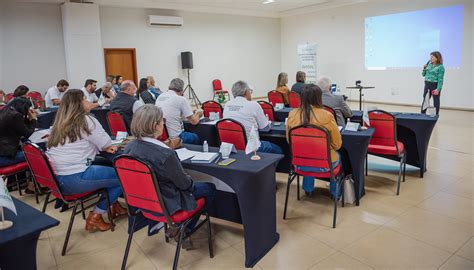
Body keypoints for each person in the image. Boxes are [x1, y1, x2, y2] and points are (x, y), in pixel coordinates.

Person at [123, 105, 216, 249]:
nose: (163, 124)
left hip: (143, 202)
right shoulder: (166, 154)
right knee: (209, 188)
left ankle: (177, 227)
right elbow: (185, 185)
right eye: (162, 121)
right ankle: (185, 228)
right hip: (168, 202)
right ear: (155, 126)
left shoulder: (128, 148)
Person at [46, 89, 127, 232]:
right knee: (123, 176)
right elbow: (106, 143)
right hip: (76, 177)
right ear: (79, 103)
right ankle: (96, 215)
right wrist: (106, 146)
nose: (88, 101)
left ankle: (113, 204)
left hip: (57, 179)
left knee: (105, 168)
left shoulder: (58, 123)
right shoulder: (86, 120)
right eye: (85, 99)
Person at [286, 84, 342, 196]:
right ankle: (335, 193)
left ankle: (308, 190)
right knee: (340, 156)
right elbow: (337, 145)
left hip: (299, 165)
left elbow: (289, 141)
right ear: (319, 98)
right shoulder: (327, 116)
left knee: (306, 151)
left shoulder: (292, 115)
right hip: (325, 166)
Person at [223, 81, 283, 154]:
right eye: (250, 91)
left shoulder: (227, 104)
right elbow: (265, 127)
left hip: (232, 147)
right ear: (246, 92)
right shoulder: (253, 105)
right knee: (279, 150)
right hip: (251, 147)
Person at [0, 94, 38, 193]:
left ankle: (27, 183)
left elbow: (21, 128)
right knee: (37, 155)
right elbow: (28, 133)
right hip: (5, 157)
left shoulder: (5, 112)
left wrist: (28, 120)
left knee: (27, 149)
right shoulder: (15, 115)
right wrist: (34, 119)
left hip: (4, 152)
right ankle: (32, 186)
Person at [155, 78, 202, 145]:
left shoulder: (160, 96)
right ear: (181, 91)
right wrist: (198, 114)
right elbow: (194, 121)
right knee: (195, 137)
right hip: (176, 137)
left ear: (169, 87)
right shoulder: (180, 99)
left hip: (162, 136)